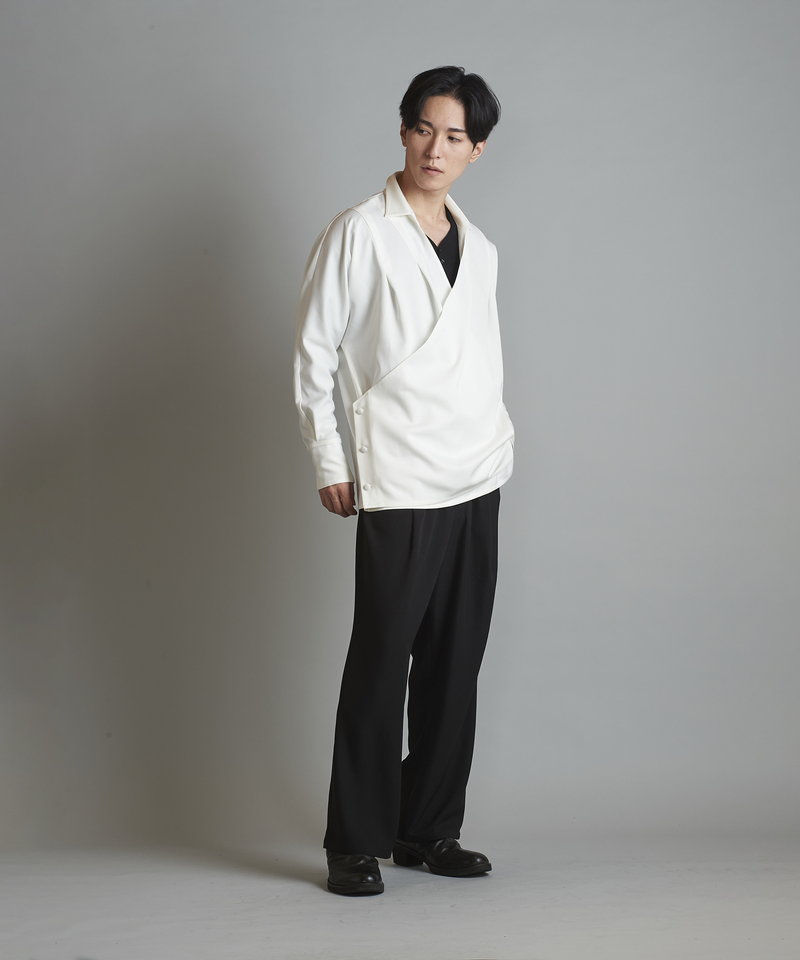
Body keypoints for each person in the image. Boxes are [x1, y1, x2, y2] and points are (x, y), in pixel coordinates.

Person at [292, 65, 515, 896]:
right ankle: (354, 838)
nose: (435, 148)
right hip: (399, 475)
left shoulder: (481, 248)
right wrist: (331, 459)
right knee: (383, 662)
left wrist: (499, 439)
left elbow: (480, 358)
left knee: (457, 665)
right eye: (424, 128)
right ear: (402, 131)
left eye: (454, 136)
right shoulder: (360, 232)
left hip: (476, 474)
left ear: (476, 150)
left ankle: (428, 828)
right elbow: (313, 352)